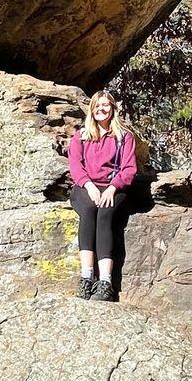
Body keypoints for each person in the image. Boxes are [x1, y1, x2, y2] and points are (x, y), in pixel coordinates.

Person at [68, 90, 138, 301]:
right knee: (89, 210)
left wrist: (112, 187)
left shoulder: (124, 137)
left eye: (106, 105)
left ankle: (105, 281)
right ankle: (87, 277)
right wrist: (88, 186)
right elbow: (75, 165)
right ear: (92, 110)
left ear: (113, 109)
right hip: (86, 186)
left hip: (112, 188)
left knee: (105, 213)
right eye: (97, 106)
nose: (101, 109)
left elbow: (129, 169)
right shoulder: (81, 136)